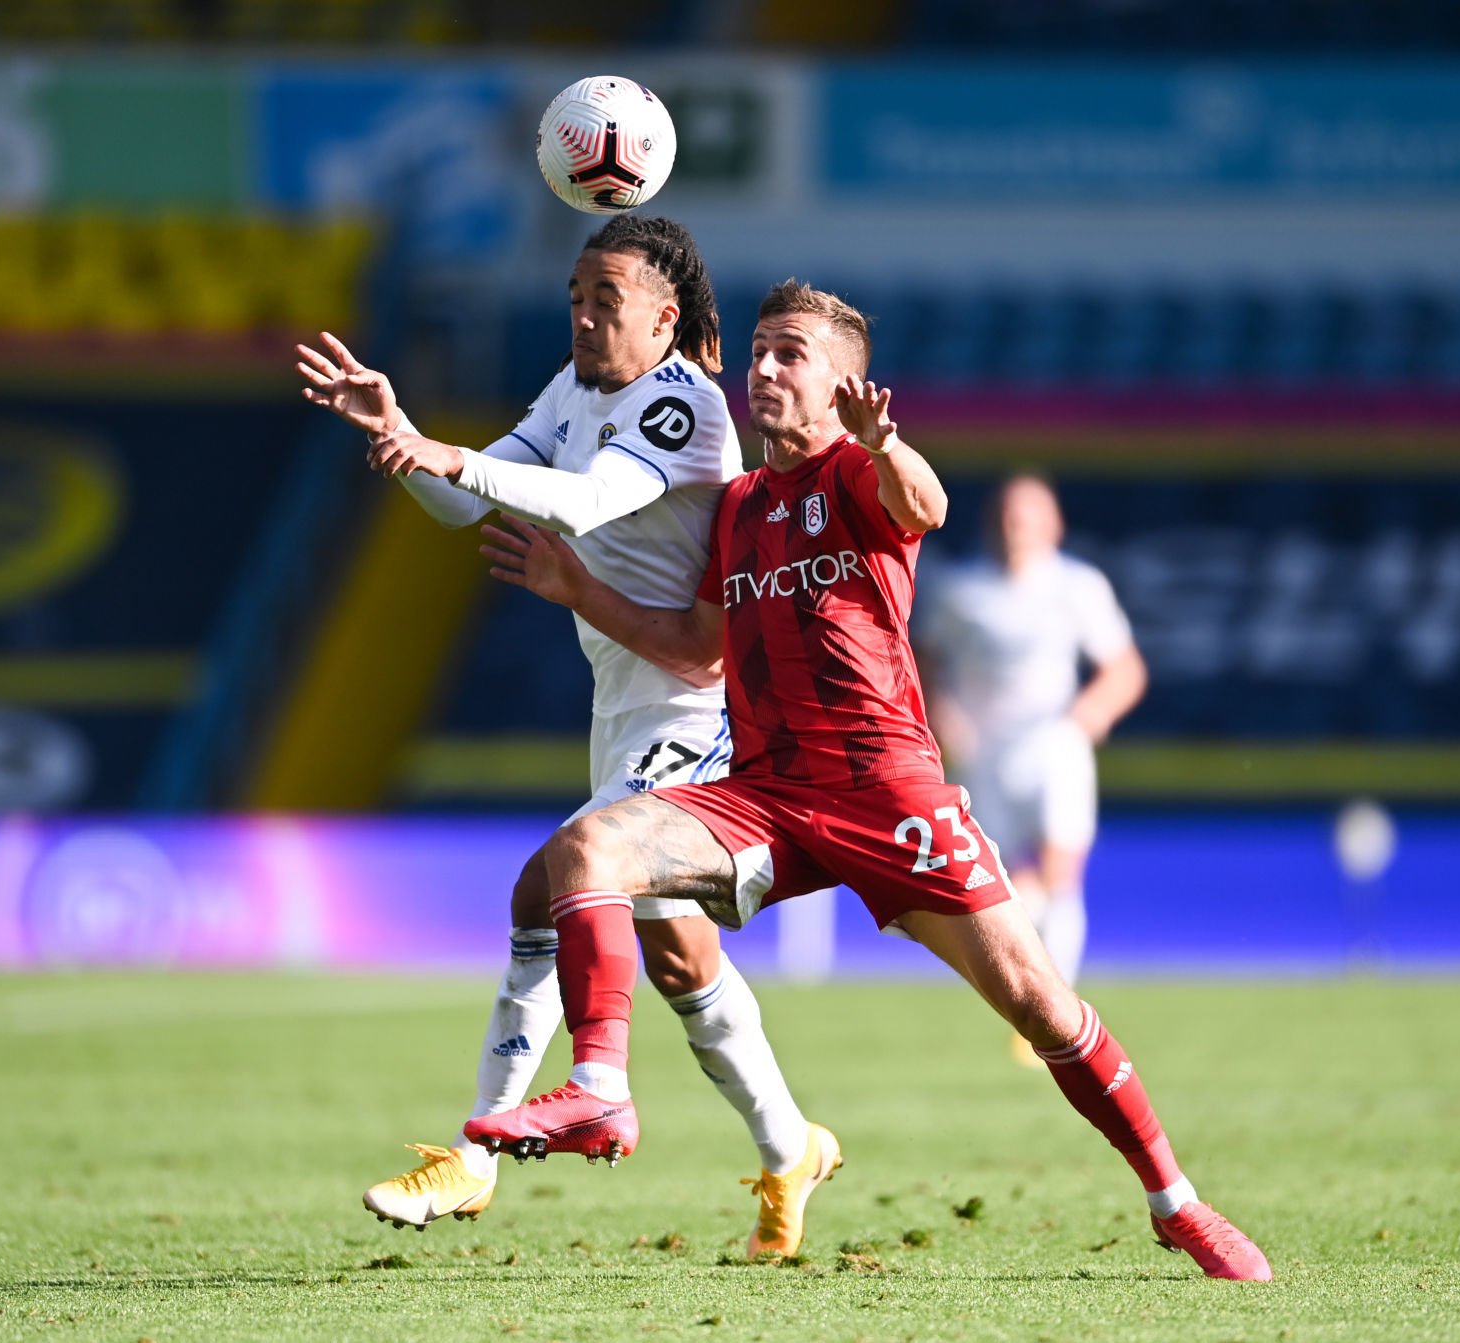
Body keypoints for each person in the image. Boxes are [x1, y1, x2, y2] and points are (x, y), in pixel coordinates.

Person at [464, 280, 1271, 1282]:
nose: (762, 368)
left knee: (1042, 1005)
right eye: (757, 350)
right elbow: (697, 647)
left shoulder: (855, 472)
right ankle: (600, 1084)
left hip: (889, 795)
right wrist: (579, 589)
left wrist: (885, 443)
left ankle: (1174, 1201)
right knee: (584, 847)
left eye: (789, 354)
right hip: (766, 794)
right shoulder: (739, 509)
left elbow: (922, 505)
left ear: (842, 382)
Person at [294, 216, 838, 1260]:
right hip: (621, 701)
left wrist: (445, 450)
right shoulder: (570, 390)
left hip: (699, 710)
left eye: (608, 300)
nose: (586, 316)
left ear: (664, 316)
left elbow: (587, 502)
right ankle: (790, 1146)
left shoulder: (680, 403)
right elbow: (461, 507)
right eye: (577, 297)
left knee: (546, 885)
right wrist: (400, 431)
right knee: (679, 957)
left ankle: (474, 1154)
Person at [917, 476, 1148, 1058]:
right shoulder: (961, 591)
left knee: (1060, 873)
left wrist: (1082, 722)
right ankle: (1033, 998)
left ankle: (1053, 1016)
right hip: (983, 754)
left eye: (1029, 515)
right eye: (1008, 515)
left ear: (1054, 525)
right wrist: (943, 717)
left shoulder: (1078, 586)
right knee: (1002, 889)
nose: (1016, 526)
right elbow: (922, 662)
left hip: (1053, 745)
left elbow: (1125, 670)